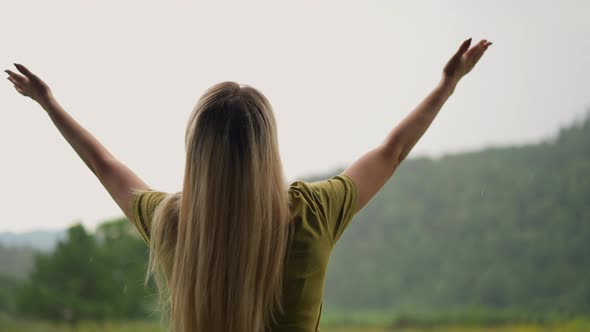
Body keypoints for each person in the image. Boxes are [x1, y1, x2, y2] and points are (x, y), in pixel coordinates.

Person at [5, 37, 491, 332]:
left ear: (197, 156)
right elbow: (392, 152)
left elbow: (105, 166)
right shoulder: (312, 214)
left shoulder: (176, 224)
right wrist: (447, 85)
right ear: (268, 149)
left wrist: (50, 105)